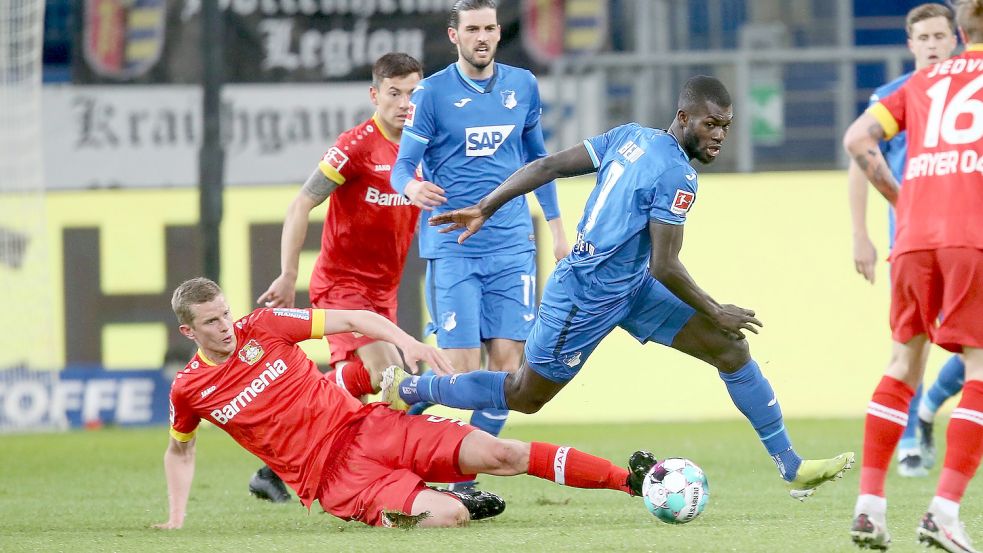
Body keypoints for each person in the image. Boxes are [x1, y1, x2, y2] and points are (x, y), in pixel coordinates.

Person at [399, 75, 854, 501]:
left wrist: (486, 205)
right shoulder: (679, 175)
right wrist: (716, 310)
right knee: (524, 395)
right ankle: (421, 390)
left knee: (730, 350)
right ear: (683, 118)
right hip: (583, 296)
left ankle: (791, 465)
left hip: (630, 288)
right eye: (710, 124)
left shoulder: (630, 135)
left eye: (725, 127)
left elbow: (551, 165)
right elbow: (665, 264)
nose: (718, 135)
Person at [155, 277, 660, 529]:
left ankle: (632, 482)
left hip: (370, 426)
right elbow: (180, 450)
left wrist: (412, 346)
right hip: (333, 479)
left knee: (502, 454)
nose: (225, 327)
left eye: (225, 314)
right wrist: (177, 518)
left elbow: (353, 318)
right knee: (449, 518)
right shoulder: (190, 389)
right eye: (211, 323)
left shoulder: (261, 328)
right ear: (188, 330)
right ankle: (450, 497)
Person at [389, 0, 569, 487]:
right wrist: (410, 187)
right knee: (461, 372)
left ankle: (462, 481)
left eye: (490, 28)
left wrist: (555, 231)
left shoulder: (523, 86)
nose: (483, 37)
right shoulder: (431, 94)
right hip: (453, 246)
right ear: (455, 36)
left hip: (512, 245)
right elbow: (401, 167)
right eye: (473, 29)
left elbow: (541, 164)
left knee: (509, 370)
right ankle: (402, 404)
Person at [250, 53, 423, 503]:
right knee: (391, 377)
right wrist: (289, 274)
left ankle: (275, 462)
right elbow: (301, 203)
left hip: (384, 290)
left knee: (361, 384)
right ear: (374, 95)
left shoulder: (423, 146)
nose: (405, 103)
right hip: (343, 286)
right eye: (395, 93)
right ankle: (396, 483)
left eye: (413, 93)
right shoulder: (355, 146)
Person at [843, 0, 983, 549]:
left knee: (903, 362)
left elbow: (858, 140)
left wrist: (905, 202)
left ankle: (869, 509)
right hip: (971, 239)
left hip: (914, 238)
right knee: (980, 368)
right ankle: (944, 511)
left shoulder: (919, 84)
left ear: (958, 32)